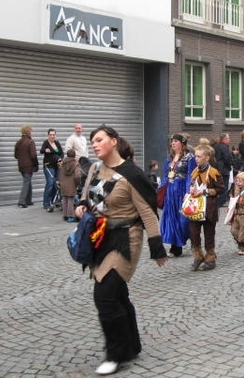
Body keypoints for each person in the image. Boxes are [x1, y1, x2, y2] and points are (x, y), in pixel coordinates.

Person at [73, 125, 168, 376]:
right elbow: (86, 196)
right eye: (92, 141)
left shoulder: (131, 174)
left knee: (104, 295)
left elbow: (148, 212)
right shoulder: (94, 169)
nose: (94, 144)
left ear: (113, 142)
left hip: (126, 239)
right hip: (99, 237)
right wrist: (81, 206)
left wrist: (156, 247)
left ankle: (116, 354)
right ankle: (132, 345)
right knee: (118, 295)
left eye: (99, 140)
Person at [188, 143, 225, 271]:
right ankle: (198, 256)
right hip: (196, 208)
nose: (196, 159)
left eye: (199, 156)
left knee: (209, 234)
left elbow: (221, 189)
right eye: (195, 157)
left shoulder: (214, 172)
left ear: (207, 158)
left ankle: (210, 258)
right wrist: (191, 190)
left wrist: (205, 192)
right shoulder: (194, 171)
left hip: (209, 209)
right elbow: (192, 185)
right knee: (194, 233)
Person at [159, 133, 196, 258]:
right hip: (170, 191)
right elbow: (165, 175)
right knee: (171, 218)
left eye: (175, 141)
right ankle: (176, 247)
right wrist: (161, 190)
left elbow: (190, 175)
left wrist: (187, 192)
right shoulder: (169, 158)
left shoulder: (190, 158)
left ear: (182, 143)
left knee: (184, 219)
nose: (173, 143)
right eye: (172, 141)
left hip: (181, 191)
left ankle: (194, 239)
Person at [14, 125, 38, 208]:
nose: (31, 133)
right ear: (28, 132)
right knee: (26, 182)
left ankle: (28, 200)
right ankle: (21, 201)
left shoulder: (18, 142)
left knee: (28, 181)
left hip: (21, 166)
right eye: (31, 131)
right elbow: (33, 155)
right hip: (28, 166)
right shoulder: (30, 142)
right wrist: (36, 164)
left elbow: (16, 155)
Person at [40, 128, 64, 212]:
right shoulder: (46, 143)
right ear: (48, 135)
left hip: (57, 166)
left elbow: (61, 153)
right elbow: (41, 151)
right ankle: (46, 203)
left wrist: (60, 159)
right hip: (48, 166)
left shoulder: (57, 143)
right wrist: (45, 150)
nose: (52, 136)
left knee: (56, 184)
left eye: (54, 135)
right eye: (51, 135)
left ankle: (53, 201)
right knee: (50, 183)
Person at [59, 149, 80, 223]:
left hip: (63, 184)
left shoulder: (63, 163)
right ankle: (70, 216)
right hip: (71, 184)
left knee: (64, 199)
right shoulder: (75, 164)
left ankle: (65, 215)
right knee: (70, 200)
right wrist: (77, 183)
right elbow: (77, 176)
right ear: (74, 155)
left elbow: (60, 174)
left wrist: (60, 182)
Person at [214, 133, 232, 207]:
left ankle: (218, 200)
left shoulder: (216, 146)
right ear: (224, 139)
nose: (229, 140)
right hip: (224, 169)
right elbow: (227, 158)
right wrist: (230, 165)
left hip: (217, 168)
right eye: (228, 138)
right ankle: (222, 201)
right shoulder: (224, 147)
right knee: (224, 185)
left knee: (219, 185)